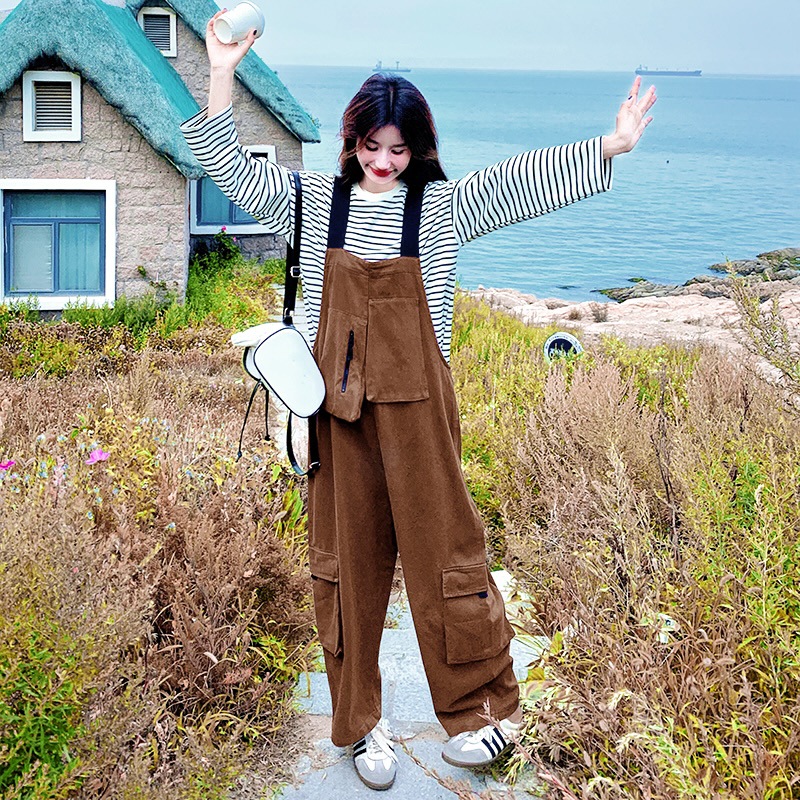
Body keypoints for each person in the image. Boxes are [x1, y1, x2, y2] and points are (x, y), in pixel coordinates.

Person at [181, 11, 656, 792]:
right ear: (351, 142)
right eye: (371, 147)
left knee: (449, 559)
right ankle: (361, 726)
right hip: (338, 420)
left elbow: (518, 182)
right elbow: (226, 165)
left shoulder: (438, 208)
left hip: (422, 418)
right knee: (347, 571)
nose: (383, 162)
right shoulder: (310, 202)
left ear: (418, 150)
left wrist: (611, 145)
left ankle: (479, 713)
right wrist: (223, 70)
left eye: (398, 150)